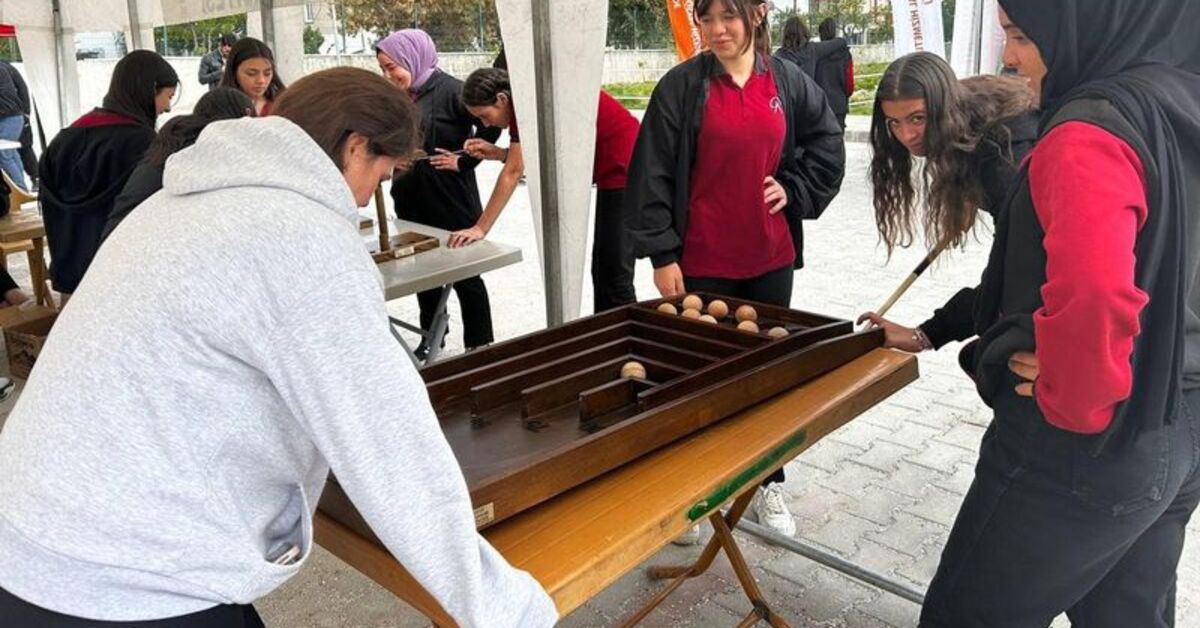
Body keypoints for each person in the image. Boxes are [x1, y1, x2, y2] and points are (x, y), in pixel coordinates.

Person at [0, 67, 557, 627]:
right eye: (380, 174)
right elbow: (390, 441)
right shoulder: (300, 236)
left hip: (27, 530)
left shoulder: (172, 201)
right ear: (356, 146)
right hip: (127, 577)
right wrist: (506, 609)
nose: (368, 199)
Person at [918, 1, 1200, 625]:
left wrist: (1075, 394)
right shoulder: (1182, 99)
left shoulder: (1089, 131)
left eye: (1023, 34)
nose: (1010, 57)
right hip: (1182, 425)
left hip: (1090, 443)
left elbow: (1096, 292)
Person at [624, 0, 844, 540]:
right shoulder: (681, 87)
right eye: (707, 17)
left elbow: (827, 142)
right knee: (695, 375)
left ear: (759, 14)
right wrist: (662, 254)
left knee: (768, 375)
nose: (717, 29)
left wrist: (794, 188)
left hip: (769, 258)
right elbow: (649, 171)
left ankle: (767, 483)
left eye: (730, 15)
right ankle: (694, 494)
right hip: (699, 262)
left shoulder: (787, 82)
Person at [857, 52, 1038, 357]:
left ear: (944, 107)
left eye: (918, 118)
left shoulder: (1001, 160)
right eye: (894, 123)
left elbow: (1012, 273)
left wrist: (926, 334)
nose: (906, 135)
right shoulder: (969, 105)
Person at [377, 29, 502, 356]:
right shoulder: (397, 96)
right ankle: (432, 333)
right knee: (423, 271)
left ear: (411, 58)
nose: (389, 75)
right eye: (384, 68)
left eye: (392, 67)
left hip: (451, 198)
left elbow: (491, 126)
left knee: (465, 272)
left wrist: (462, 161)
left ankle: (480, 343)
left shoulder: (452, 91)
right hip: (409, 195)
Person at [38, 49, 178, 299]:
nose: (167, 108)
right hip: (116, 279)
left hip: (69, 272)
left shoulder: (64, 139)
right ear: (150, 89)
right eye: (168, 96)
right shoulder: (144, 143)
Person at [101, 88, 255, 241]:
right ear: (245, 115)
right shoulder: (204, 151)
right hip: (141, 243)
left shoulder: (169, 144)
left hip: (114, 241)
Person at [456, 67, 524, 249]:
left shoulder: (523, 112)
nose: (485, 124)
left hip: (609, 171)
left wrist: (479, 228)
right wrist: (499, 153)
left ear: (502, 99)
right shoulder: (522, 104)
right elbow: (528, 159)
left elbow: (513, 171)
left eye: (484, 116)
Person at [774, 15, 850, 87]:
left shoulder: (778, 56)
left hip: (788, 98)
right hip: (809, 97)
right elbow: (841, 42)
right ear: (804, 32)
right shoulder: (812, 49)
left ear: (785, 35)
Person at [221, 37, 285, 116]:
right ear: (234, 72)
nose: (261, 80)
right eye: (251, 74)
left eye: (267, 74)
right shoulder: (220, 108)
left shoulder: (282, 105)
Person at [0, 61, 36, 190]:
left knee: (4, 155)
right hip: (14, 116)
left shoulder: (3, 68)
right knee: (11, 153)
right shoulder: (6, 66)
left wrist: (26, 112)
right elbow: (22, 87)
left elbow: (21, 88)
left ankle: (19, 189)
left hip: (8, 117)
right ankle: (21, 188)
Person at [814, 18, 854, 128]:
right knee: (838, 140)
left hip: (820, 105)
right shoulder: (845, 54)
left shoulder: (815, 54)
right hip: (839, 104)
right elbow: (849, 82)